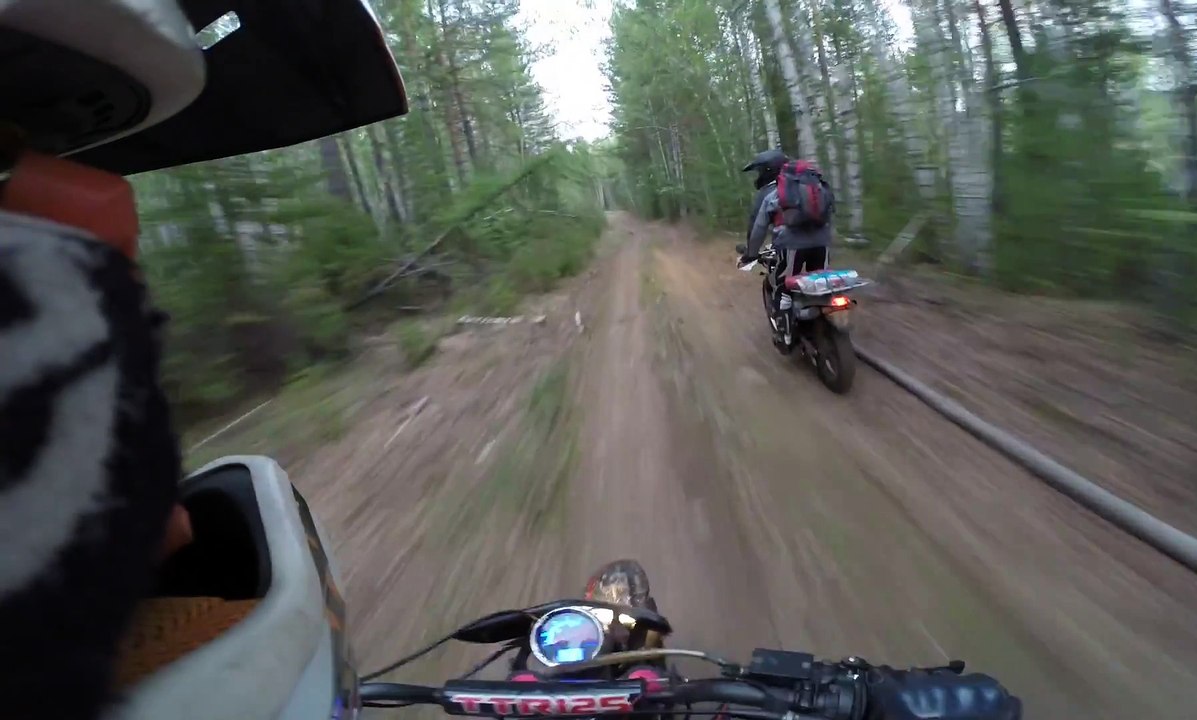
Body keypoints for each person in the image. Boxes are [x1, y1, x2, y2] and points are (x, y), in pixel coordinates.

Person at [0, 4, 1019, 719]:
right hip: (816, 265)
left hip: (792, 272)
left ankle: (797, 322)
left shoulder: (770, 189)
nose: (176, 526)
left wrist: (755, 252)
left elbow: (761, 229)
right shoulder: (808, 182)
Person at [738, 148, 834, 344]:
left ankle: (786, 335)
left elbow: (758, 229)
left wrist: (751, 254)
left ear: (767, 170)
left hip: (791, 246)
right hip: (822, 243)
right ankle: (828, 322)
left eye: (759, 171)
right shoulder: (814, 186)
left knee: (784, 288)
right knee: (821, 283)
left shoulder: (772, 195)